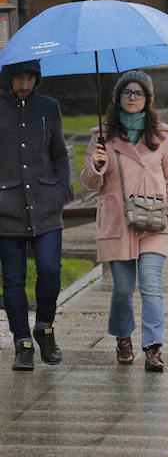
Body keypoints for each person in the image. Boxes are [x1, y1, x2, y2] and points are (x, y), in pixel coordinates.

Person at [80, 70, 168, 372]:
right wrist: (96, 165)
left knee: (151, 284)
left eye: (139, 93)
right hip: (118, 221)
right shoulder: (102, 136)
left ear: (148, 98)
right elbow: (89, 183)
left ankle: (153, 346)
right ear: (118, 98)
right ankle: (123, 337)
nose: (133, 97)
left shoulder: (162, 136)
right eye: (127, 92)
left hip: (155, 220)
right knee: (123, 289)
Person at [0, 60, 68, 371]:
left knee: (50, 269)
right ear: (8, 78)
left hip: (46, 205)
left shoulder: (49, 107)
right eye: (19, 78)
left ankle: (44, 327)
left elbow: (58, 154)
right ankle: (22, 342)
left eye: (30, 77)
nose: (25, 84)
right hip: (6, 207)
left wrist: (61, 191)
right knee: (13, 279)